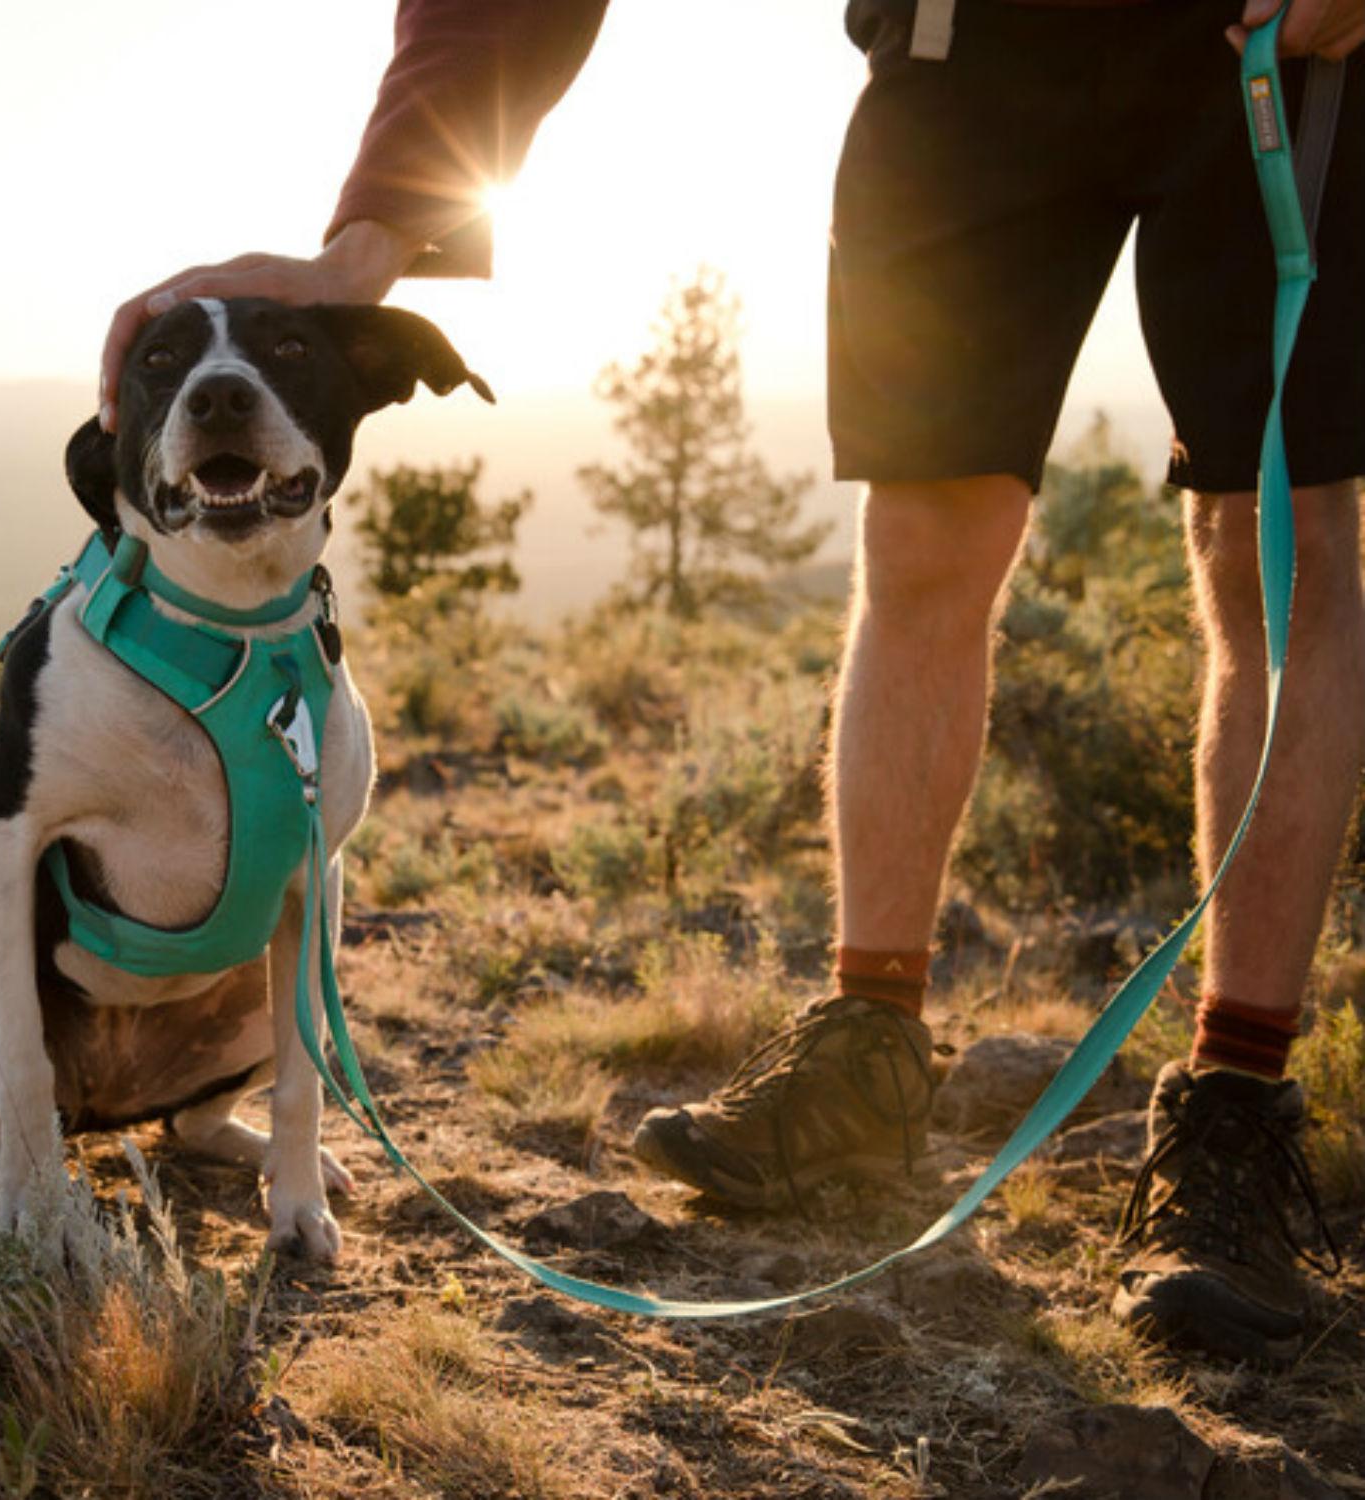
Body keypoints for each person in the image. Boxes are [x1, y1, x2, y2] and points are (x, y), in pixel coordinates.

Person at [102, 0, 1365, 1364]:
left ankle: (1236, 1113)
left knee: (1278, 544)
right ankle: (868, 1052)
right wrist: (370, 241)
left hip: (1270, 43)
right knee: (924, 537)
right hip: (961, 57)